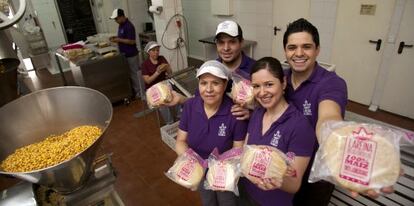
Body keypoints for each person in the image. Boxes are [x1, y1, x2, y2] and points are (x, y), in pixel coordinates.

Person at [282, 18, 395, 205]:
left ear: (317, 49)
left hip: (317, 171)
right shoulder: (282, 78)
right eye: (292, 47)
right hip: (286, 164)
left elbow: (328, 118)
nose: (299, 53)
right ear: (285, 51)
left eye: (307, 47)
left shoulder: (331, 83)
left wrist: (345, 149)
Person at [237, 57, 316, 206]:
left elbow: (294, 185)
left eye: (269, 84)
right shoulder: (258, 113)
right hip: (246, 192)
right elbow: (246, 153)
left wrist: (277, 180)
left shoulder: (300, 127)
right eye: (256, 86)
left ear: (284, 83)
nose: (262, 92)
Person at [175, 60, 248, 206]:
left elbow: (238, 150)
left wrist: (220, 173)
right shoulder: (190, 106)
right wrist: (190, 162)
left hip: (225, 172)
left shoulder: (235, 112)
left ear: (225, 85)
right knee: (208, 201)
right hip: (198, 169)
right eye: (203, 83)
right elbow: (181, 141)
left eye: (215, 83)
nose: (208, 89)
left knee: (227, 201)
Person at [166, 20, 254, 120]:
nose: (226, 48)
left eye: (232, 42)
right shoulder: (211, 69)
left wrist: (252, 114)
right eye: (221, 42)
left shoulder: (255, 70)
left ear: (241, 42)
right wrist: (182, 100)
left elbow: (271, 108)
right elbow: (199, 101)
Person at [109, 8, 145, 100]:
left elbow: (132, 41)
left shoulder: (129, 26)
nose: (116, 21)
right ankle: (136, 91)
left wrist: (118, 40)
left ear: (121, 16)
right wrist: (116, 38)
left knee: (135, 74)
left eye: (116, 19)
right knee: (131, 74)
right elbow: (123, 37)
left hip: (132, 55)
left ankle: (141, 93)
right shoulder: (121, 25)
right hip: (125, 55)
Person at [141, 41, 173, 124]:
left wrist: (167, 67)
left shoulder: (162, 58)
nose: (156, 52)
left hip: (164, 85)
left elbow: (170, 73)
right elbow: (147, 81)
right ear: (148, 52)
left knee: (175, 96)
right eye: (153, 50)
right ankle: (170, 123)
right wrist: (157, 72)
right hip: (152, 89)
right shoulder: (145, 64)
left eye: (157, 50)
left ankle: (180, 117)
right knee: (162, 103)